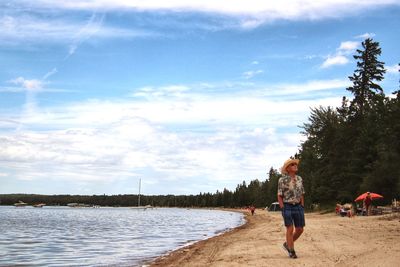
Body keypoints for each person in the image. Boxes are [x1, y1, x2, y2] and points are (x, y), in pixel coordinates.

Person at [277, 158, 305, 259]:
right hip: (287, 206)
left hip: (298, 206)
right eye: (292, 164)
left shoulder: (299, 179)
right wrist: (282, 207)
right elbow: (279, 195)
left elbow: (302, 193)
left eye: (295, 164)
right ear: (288, 168)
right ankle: (291, 251)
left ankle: (287, 244)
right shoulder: (282, 180)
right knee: (290, 228)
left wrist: (302, 205)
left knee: (300, 229)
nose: (295, 165)